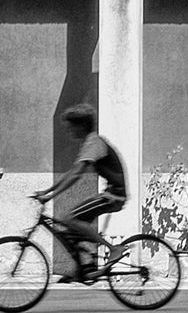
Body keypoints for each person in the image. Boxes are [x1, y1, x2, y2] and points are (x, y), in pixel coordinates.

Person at [34, 103, 126, 282]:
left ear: (82, 126)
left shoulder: (94, 143)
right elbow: (72, 172)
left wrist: (50, 197)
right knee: (73, 224)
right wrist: (47, 191)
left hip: (114, 195)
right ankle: (85, 267)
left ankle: (114, 249)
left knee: (70, 218)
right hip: (110, 193)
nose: (69, 133)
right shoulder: (90, 143)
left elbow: (76, 175)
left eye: (71, 128)